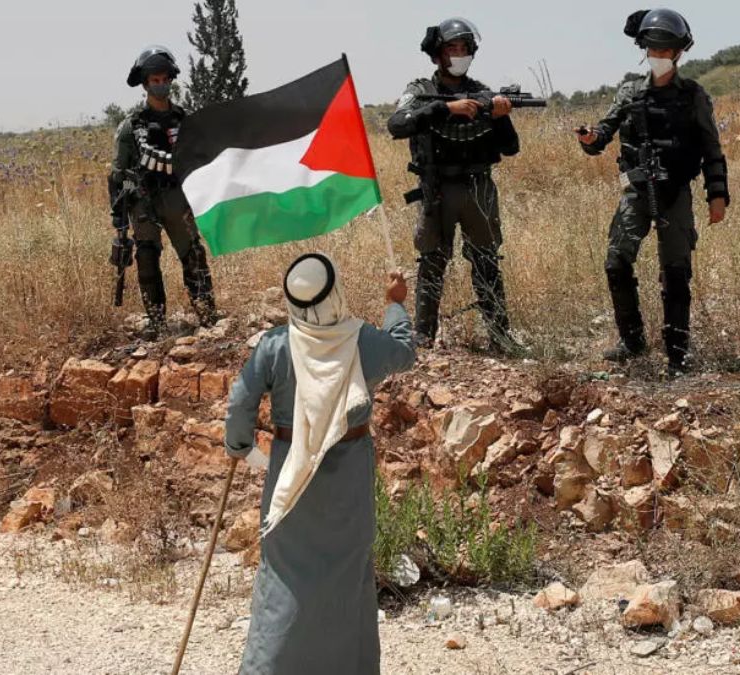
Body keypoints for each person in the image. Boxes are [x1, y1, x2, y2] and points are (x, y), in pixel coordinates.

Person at [224, 254, 416, 674]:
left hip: (288, 471)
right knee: (349, 573)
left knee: (283, 575)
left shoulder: (275, 345)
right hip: (348, 473)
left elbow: (240, 404)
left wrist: (243, 448)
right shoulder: (361, 340)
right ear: (336, 294)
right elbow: (403, 352)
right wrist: (396, 302)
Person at [576, 9, 731, 375]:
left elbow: (712, 148)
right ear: (644, 49)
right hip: (636, 191)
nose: (660, 56)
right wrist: (590, 138)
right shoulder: (630, 92)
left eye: (667, 50)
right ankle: (632, 341)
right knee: (616, 261)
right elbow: (602, 134)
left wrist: (717, 195)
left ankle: (677, 352)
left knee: (675, 271)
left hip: (675, 191)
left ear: (679, 52)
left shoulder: (693, 95)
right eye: (654, 49)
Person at [387, 17, 522, 353]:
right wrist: (445, 108)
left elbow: (510, 148)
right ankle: (422, 336)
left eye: (464, 48)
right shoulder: (420, 90)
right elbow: (398, 123)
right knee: (432, 262)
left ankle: (500, 337)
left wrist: (501, 115)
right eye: (452, 48)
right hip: (437, 189)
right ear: (438, 54)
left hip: (478, 189)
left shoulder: (483, 93)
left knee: (486, 262)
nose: (459, 54)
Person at [109, 45, 217, 339]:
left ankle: (207, 315)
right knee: (146, 258)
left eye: (164, 78)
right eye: (154, 80)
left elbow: (202, 160)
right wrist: (118, 225)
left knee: (193, 255)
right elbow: (116, 177)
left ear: (172, 79)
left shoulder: (186, 120)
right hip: (143, 202)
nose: (160, 84)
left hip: (178, 199)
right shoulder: (130, 128)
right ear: (144, 83)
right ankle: (157, 322)